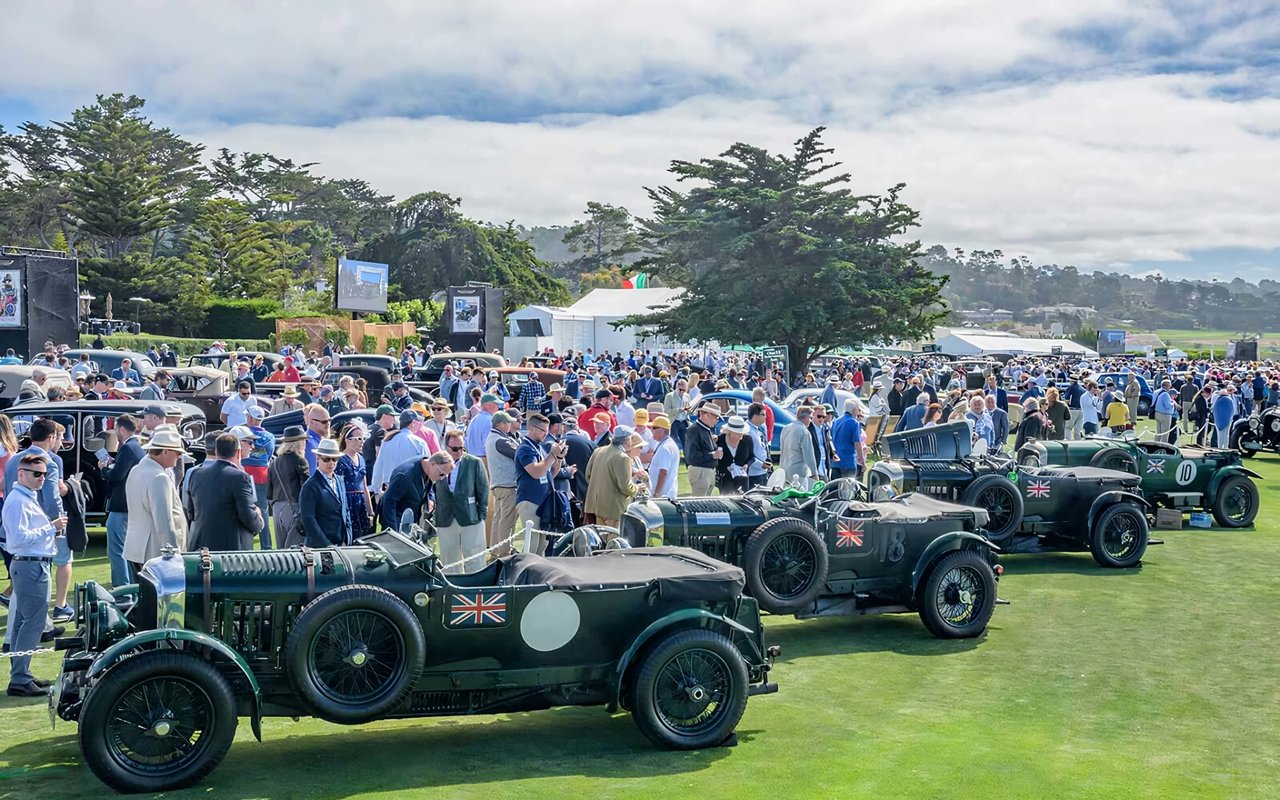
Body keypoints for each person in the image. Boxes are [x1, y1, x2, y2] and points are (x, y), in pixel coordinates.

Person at [4, 452, 66, 697]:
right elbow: (19, 539)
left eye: (44, 474)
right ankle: (19, 678)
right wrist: (51, 527)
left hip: (31, 565)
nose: (42, 478)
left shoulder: (24, 497)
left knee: (24, 622)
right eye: (36, 474)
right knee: (34, 622)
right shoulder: (18, 500)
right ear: (21, 474)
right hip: (30, 565)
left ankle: (21, 674)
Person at [122, 428, 188, 573]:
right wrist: (172, 556)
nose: (178, 457)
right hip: (155, 553)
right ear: (165, 451)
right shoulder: (159, 478)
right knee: (158, 595)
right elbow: (164, 522)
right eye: (177, 453)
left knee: (142, 593)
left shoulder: (136, 470)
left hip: (136, 548)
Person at [186, 433, 262, 551]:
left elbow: (192, 513)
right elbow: (247, 515)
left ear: (216, 452)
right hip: (230, 550)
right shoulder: (240, 477)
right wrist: (258, 519)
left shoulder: (196, 474)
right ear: (238, 453)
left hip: (201, 546)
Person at [515, 412, 573, 554]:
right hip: (530, 501)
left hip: (543, 502)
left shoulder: (538, 446)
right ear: (533, 428)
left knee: (542, 545)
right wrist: (552, 455)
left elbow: (550, 474)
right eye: (543, 431)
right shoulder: (525, 448)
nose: (545, 434)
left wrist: (558, 458)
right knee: (532, 545)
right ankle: (524, 573)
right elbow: (536, 472)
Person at [431, 432, 489, 574]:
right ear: (447, 447)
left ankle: (476, 587)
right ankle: (451, 589)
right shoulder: (436, 461)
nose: (459, 452)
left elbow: (483, 489)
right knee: (449, 559)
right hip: (445, 517)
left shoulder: (474, 463)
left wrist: (480, 515)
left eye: (462, 448)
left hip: (471, 517)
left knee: (475, 557)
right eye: (455, 449)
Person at [98, 415, 143, 587]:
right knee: (125, 549)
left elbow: (117, 476)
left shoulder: (128, 448)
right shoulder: (137, 447)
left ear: (122, 430)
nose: (115, 432)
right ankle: (129, 586)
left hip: (121, 506)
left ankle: (123, 589)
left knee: (116, 550)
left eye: (116, 429)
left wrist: (104, 470)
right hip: (129, 505)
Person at [584, 425, 640, 530]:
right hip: (613, 510)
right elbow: (625, 487)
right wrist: (638, 488)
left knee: (600, 543)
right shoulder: (623, 458)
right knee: (613, 542)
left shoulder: (598, 451)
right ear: (627, 440)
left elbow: (588, 476)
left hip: (595, 507)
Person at [299, 439, 352, 547]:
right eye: (326, 459)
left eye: (335, 459)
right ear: (318, 458)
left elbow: (345, 511)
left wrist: (348, 538)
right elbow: (309, 520)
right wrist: (326, 545)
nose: (331, 463)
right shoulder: (310, 486)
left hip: (341, 544)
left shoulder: (339, 480)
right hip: (320, 548)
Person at [484, 410, 521, 555]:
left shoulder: (493, 437)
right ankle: (505, 552)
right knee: (507, 521)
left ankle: (495, 550)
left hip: (498, 484)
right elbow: (519, 454)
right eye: (507, 422)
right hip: (507, 485)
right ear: (500, 424)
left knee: (498, 519)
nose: (510, 424)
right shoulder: (501, 440)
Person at [268, 426, 310, 548]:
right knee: (296, 550)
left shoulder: (275, 462)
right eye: (304, 440)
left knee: (282, 551)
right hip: (293, 507)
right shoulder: (300, 461)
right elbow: (305, 489)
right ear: (299, 442)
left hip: (277, 508)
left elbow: (269, 491)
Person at [335, 422, 374, 539]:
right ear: (347, 440)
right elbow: (337, 487)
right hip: (347, 502)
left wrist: (370, 512)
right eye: (358, 438)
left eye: (363, 438)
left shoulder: (361, 458)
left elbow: (364, 486)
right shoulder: (340, 460)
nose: (362, 441)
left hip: (360, 502)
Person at [684, 403, 721, 495]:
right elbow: (691, 457)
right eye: (716, 417)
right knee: (699, 505)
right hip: (700, 472)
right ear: (708, 414)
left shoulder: (706, 429)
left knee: (705, 505)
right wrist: (712, 455)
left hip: (707, 472)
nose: (716, 421)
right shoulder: (694, 429)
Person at [780, 406, 818, 488]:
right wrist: (814, 473)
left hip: (784, 468)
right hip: (798, 471)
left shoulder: (786, 428)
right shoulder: (804, 431)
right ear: (806, 418)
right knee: (800, 497)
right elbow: (808, 454)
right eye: (810, 418)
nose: (810, 421)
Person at [714, 416, 754, 494]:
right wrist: (726, 468)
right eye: (736, 434)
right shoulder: (720, 440)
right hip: (725, 479)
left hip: (742, 479)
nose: (739, 436)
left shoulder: (747, 439)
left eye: (741, 434)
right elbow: (717, 460)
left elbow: (752, 457)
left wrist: (747, 465)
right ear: (729, 431)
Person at [830, 398, 865, 480]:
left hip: (835, 461)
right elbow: (857, 443)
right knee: (847, 489)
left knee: (834, 489)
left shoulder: (836, 421)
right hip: (848, 461)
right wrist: (862, 461)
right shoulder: (854, 422)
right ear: (854, 410)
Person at [647, 415, 680, 499]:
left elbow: (663, 473)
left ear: (662, 430)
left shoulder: (665, 448)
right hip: (667, 493)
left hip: (663, 496)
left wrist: (656, 494)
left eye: (653, 428)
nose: (651, 430)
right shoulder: (666, 443)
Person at [1153, 379, 1180, 444]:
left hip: (1157, 413)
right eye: (1170, 384)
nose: (1171, 386)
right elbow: (1168, 406)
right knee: (1165, 433)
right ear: (1167, 385)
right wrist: (1172, 403)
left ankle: (1156, 444)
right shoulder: (1165, 394)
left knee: (1158, 432)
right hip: (1165, 414)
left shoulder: (1156, 392)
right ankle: (1164, 445)